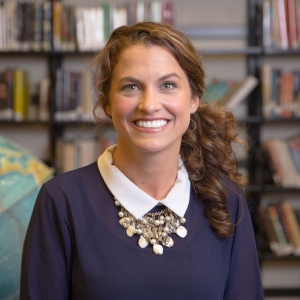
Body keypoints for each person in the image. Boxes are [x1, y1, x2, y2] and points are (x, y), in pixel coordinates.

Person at [20, 22, 264, 299]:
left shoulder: (227, 200)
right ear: (107, 101)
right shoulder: (61, 201)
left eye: (168, 85)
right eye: (131, 86)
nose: (149, 104)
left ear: (194, 99)